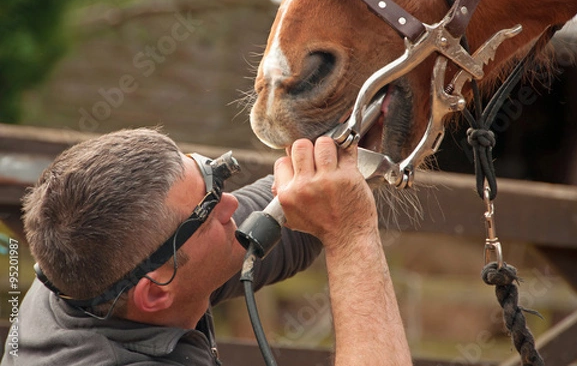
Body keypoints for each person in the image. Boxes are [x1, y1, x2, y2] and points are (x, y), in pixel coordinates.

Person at [1, 128, 412, 366]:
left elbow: (295, 216)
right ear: (156, 290)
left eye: (213, 180)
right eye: (207, 208)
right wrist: (353, 236)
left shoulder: (93, 274)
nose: (232, 203)